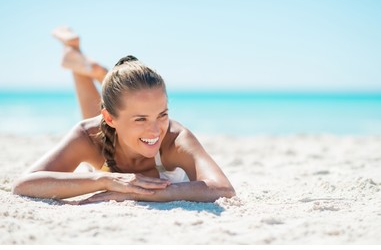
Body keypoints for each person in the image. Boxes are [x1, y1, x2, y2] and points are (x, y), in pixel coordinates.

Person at [12, 27, 235, 203]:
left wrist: (143, 192)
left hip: (113, 125)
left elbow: (223, 188)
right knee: (100, 121)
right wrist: (105, 179)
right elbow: (25, 184)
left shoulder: (175, 138)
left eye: (162, 114)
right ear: (108, 118)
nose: (156, 129)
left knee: (119, 111)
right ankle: (91, 67)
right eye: (141, 119)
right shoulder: (87, 135)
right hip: (106, 131)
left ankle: (90, 66)